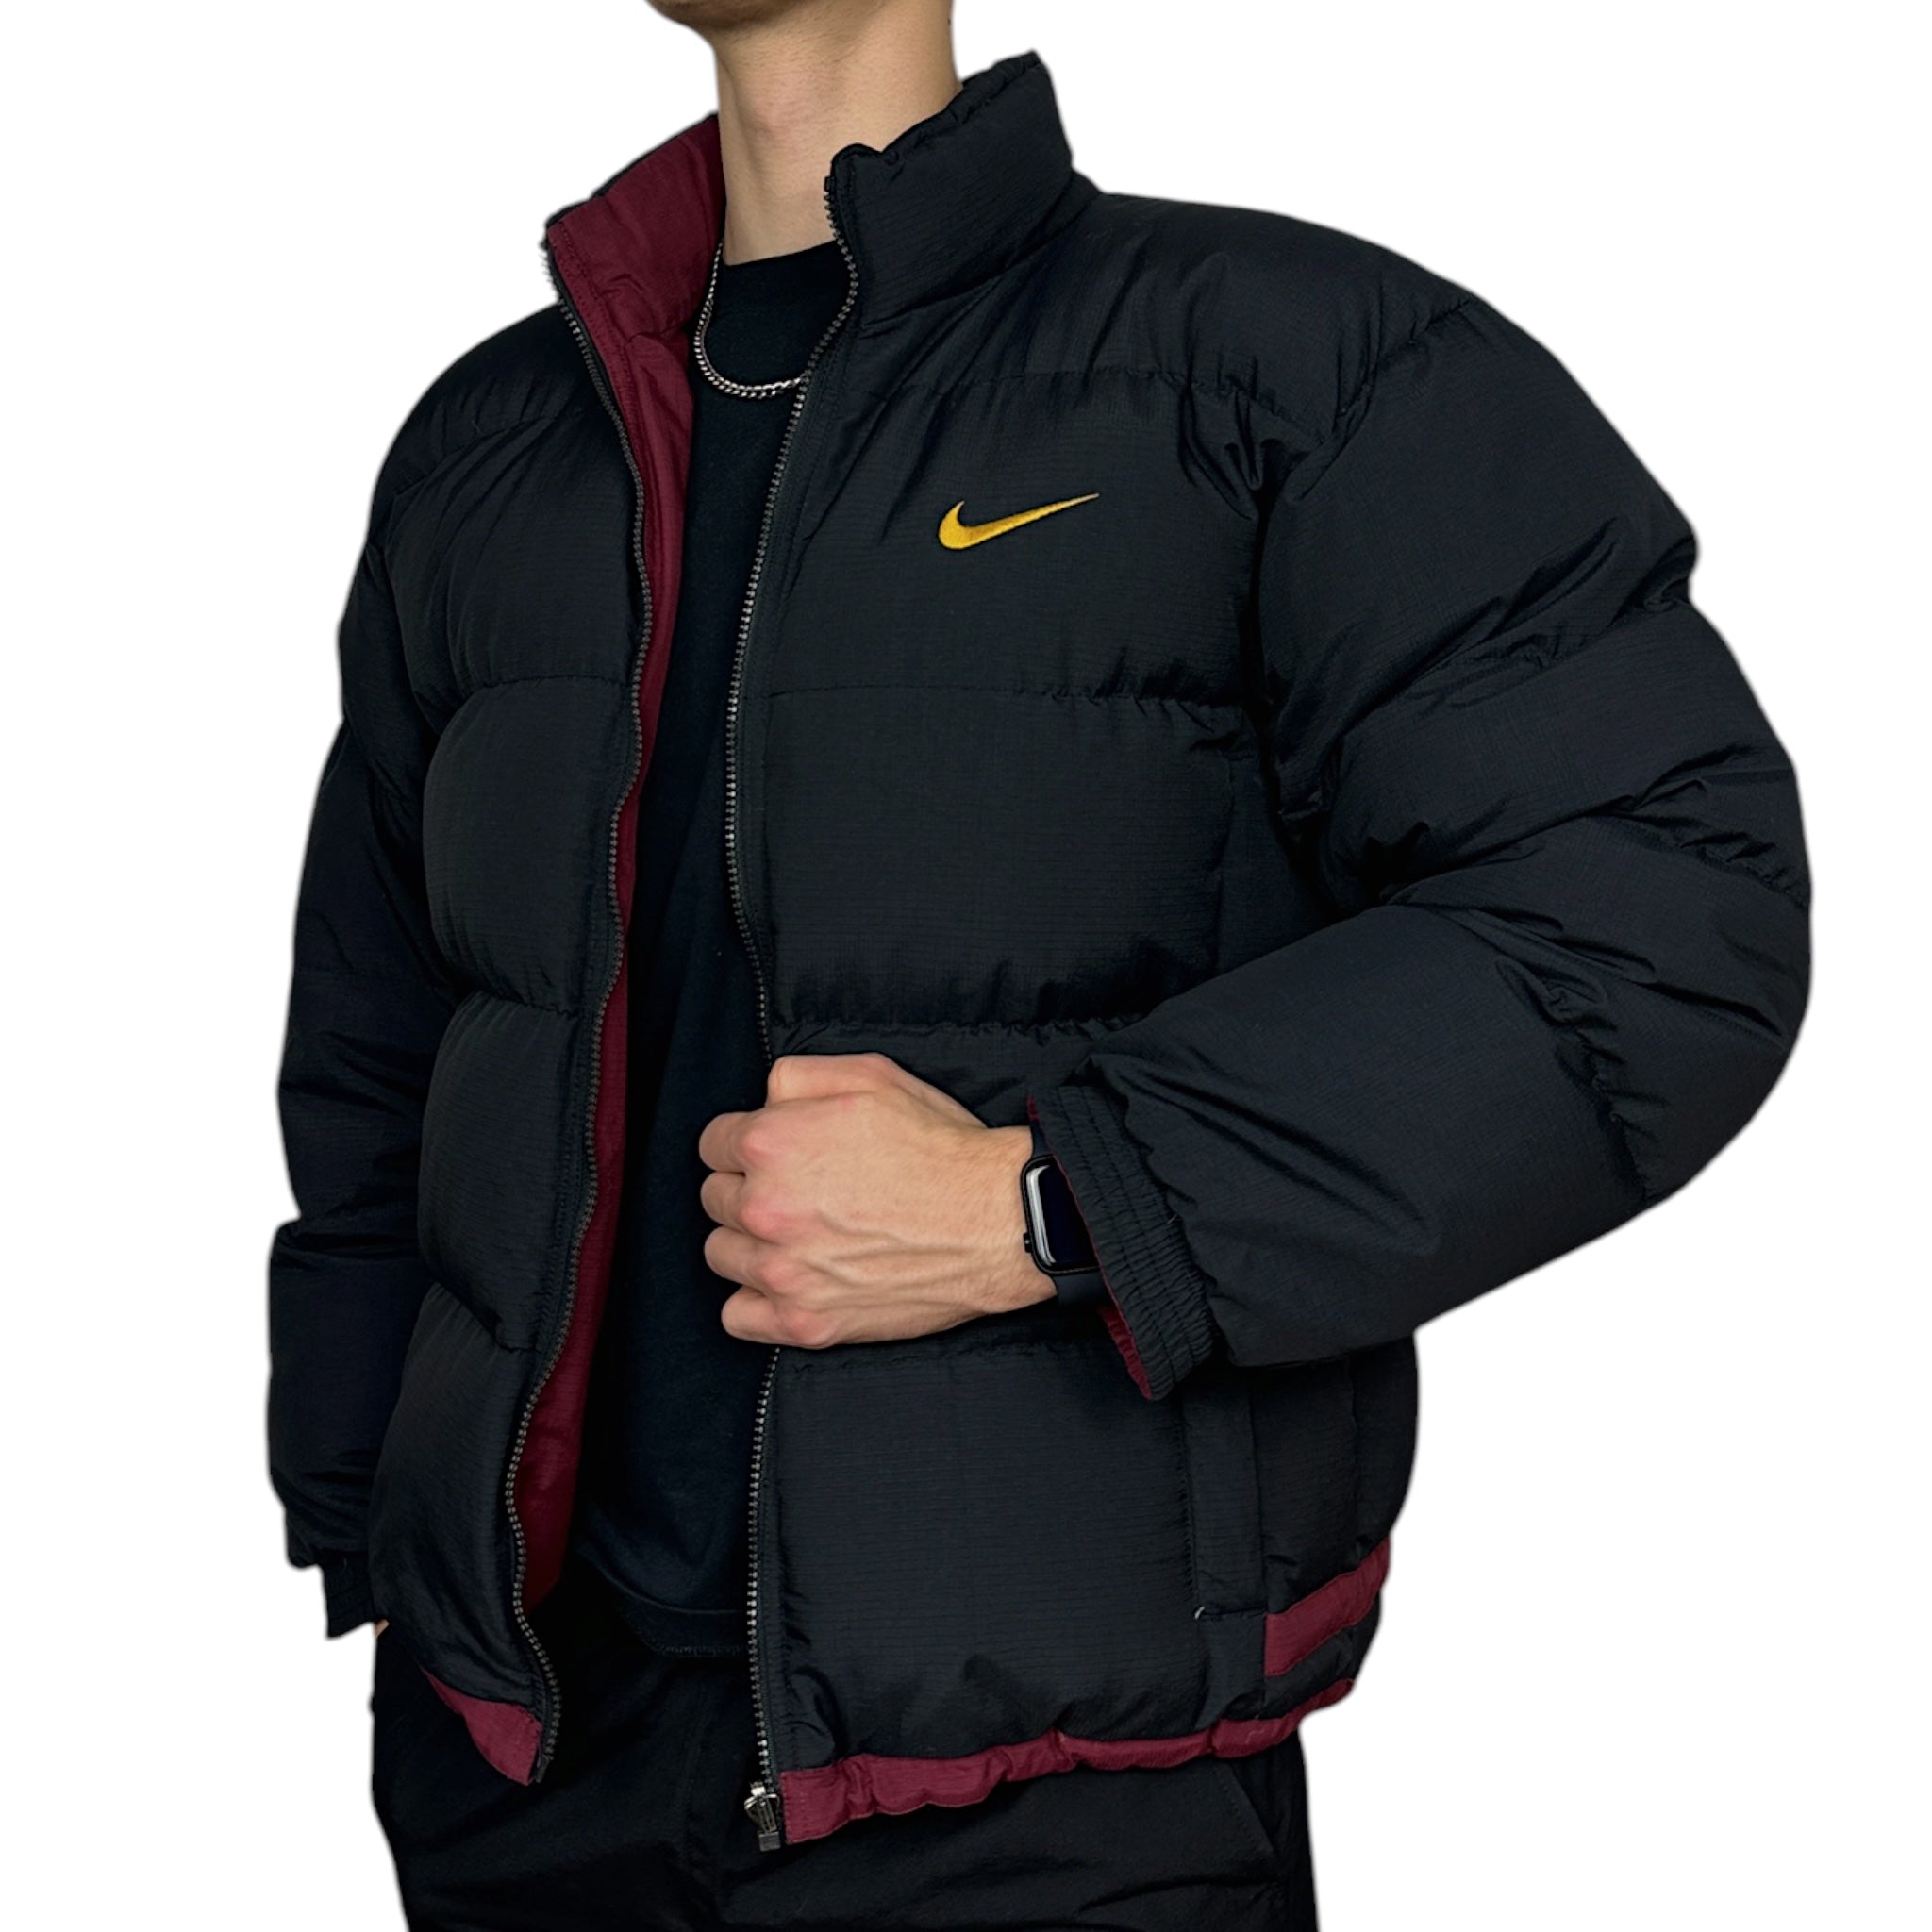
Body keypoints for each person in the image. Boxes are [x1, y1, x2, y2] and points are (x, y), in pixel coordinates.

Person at [266, 3, 1810, 1925]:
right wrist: (382, 1543)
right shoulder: (498, 443)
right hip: (527, 1771)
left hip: (1045, 1787)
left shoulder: (1284, 362)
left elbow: (1657, 911)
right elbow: (385, 1040)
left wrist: (1057, 1201)